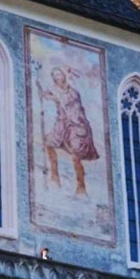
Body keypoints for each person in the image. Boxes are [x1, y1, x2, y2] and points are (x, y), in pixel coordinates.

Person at [38, 67, 99, 196]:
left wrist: (73, 75)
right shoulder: (55, 91)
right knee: (48, 143)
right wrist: (39, 88)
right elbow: (46, 95)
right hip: (62, 124)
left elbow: (71, 96)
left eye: (59, 74)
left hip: (77, 126)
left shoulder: (74, 92)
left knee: (76, 156)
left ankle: (81, 186)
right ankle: (55, 177)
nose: (58, 77)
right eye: (55, 75)